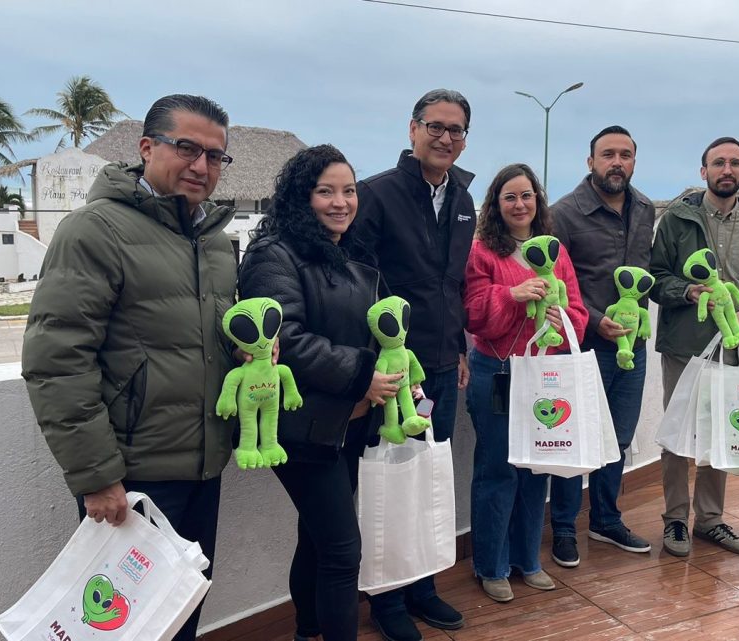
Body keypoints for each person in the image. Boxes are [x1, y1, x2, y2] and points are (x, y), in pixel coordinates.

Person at [22, 94, 238, 641]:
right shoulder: (94, 231)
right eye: (187, 148)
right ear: (146, 148)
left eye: (215, 156)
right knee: (119, 626)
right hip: (134, 474)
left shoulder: (212, 240)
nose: (201, 166)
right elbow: (57, 361)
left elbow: (204, 338)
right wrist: (97, 476)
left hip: (203, 464)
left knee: (181, 606)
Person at [238, 144, 394, 641]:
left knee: (317, 541)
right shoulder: (273, 254)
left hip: (345, 424)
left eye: (349, 191)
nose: (341, 202)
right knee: (343, 551)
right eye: (325, 191)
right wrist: (363, 373)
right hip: (300, 428)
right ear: (300, 197)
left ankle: (308, 631)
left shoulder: (347, 250)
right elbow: (289, 340)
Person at [350, 88, 474, 641]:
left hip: (444, 368)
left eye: (457, 130)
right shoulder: (376, 195)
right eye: (436, 126)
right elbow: (357, 284)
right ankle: (387, 599)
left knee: (429, 481)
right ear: (412, 130)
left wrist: (462, 347)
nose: (446, 137)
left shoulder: (464, 198)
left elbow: (456, 284)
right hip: (394, 375)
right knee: (389, 486)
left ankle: (423, 587)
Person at [463, 163, 588, 601]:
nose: (520, 204)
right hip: (497, 370)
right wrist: (510, 295)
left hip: (544, 376)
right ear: (496, 205)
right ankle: (491, 565)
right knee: (497, 469)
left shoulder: (556, 251)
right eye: (510, 197)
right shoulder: (482, 251)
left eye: (527, 195)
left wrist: (563, 317)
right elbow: (475, 314)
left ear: (539, 200)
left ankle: (527, 559)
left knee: (537, 468)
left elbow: (578, 310)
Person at [649, 136, 739, 558]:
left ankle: (710, 520)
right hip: (684, 347)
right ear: (703, 171)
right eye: (718, 163)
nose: (727, 170)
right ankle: (675, 521)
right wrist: (687, 291)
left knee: (719, 431)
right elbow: (656, 278)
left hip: (732, 347)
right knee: (678, 436)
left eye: (735, 163)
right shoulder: (676, 219)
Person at [546, 125, 657, 568]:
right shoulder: (564, 214)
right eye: (607, 154)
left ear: (634, 161)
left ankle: (606, 519)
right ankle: (564, 528)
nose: (617, 162)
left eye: (625, 154)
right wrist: (595, 320)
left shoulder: (646, 208)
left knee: (619, 438)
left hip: (634, 348)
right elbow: (557, 284)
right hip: (584, 346)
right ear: (590, 161)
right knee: (576, 439)